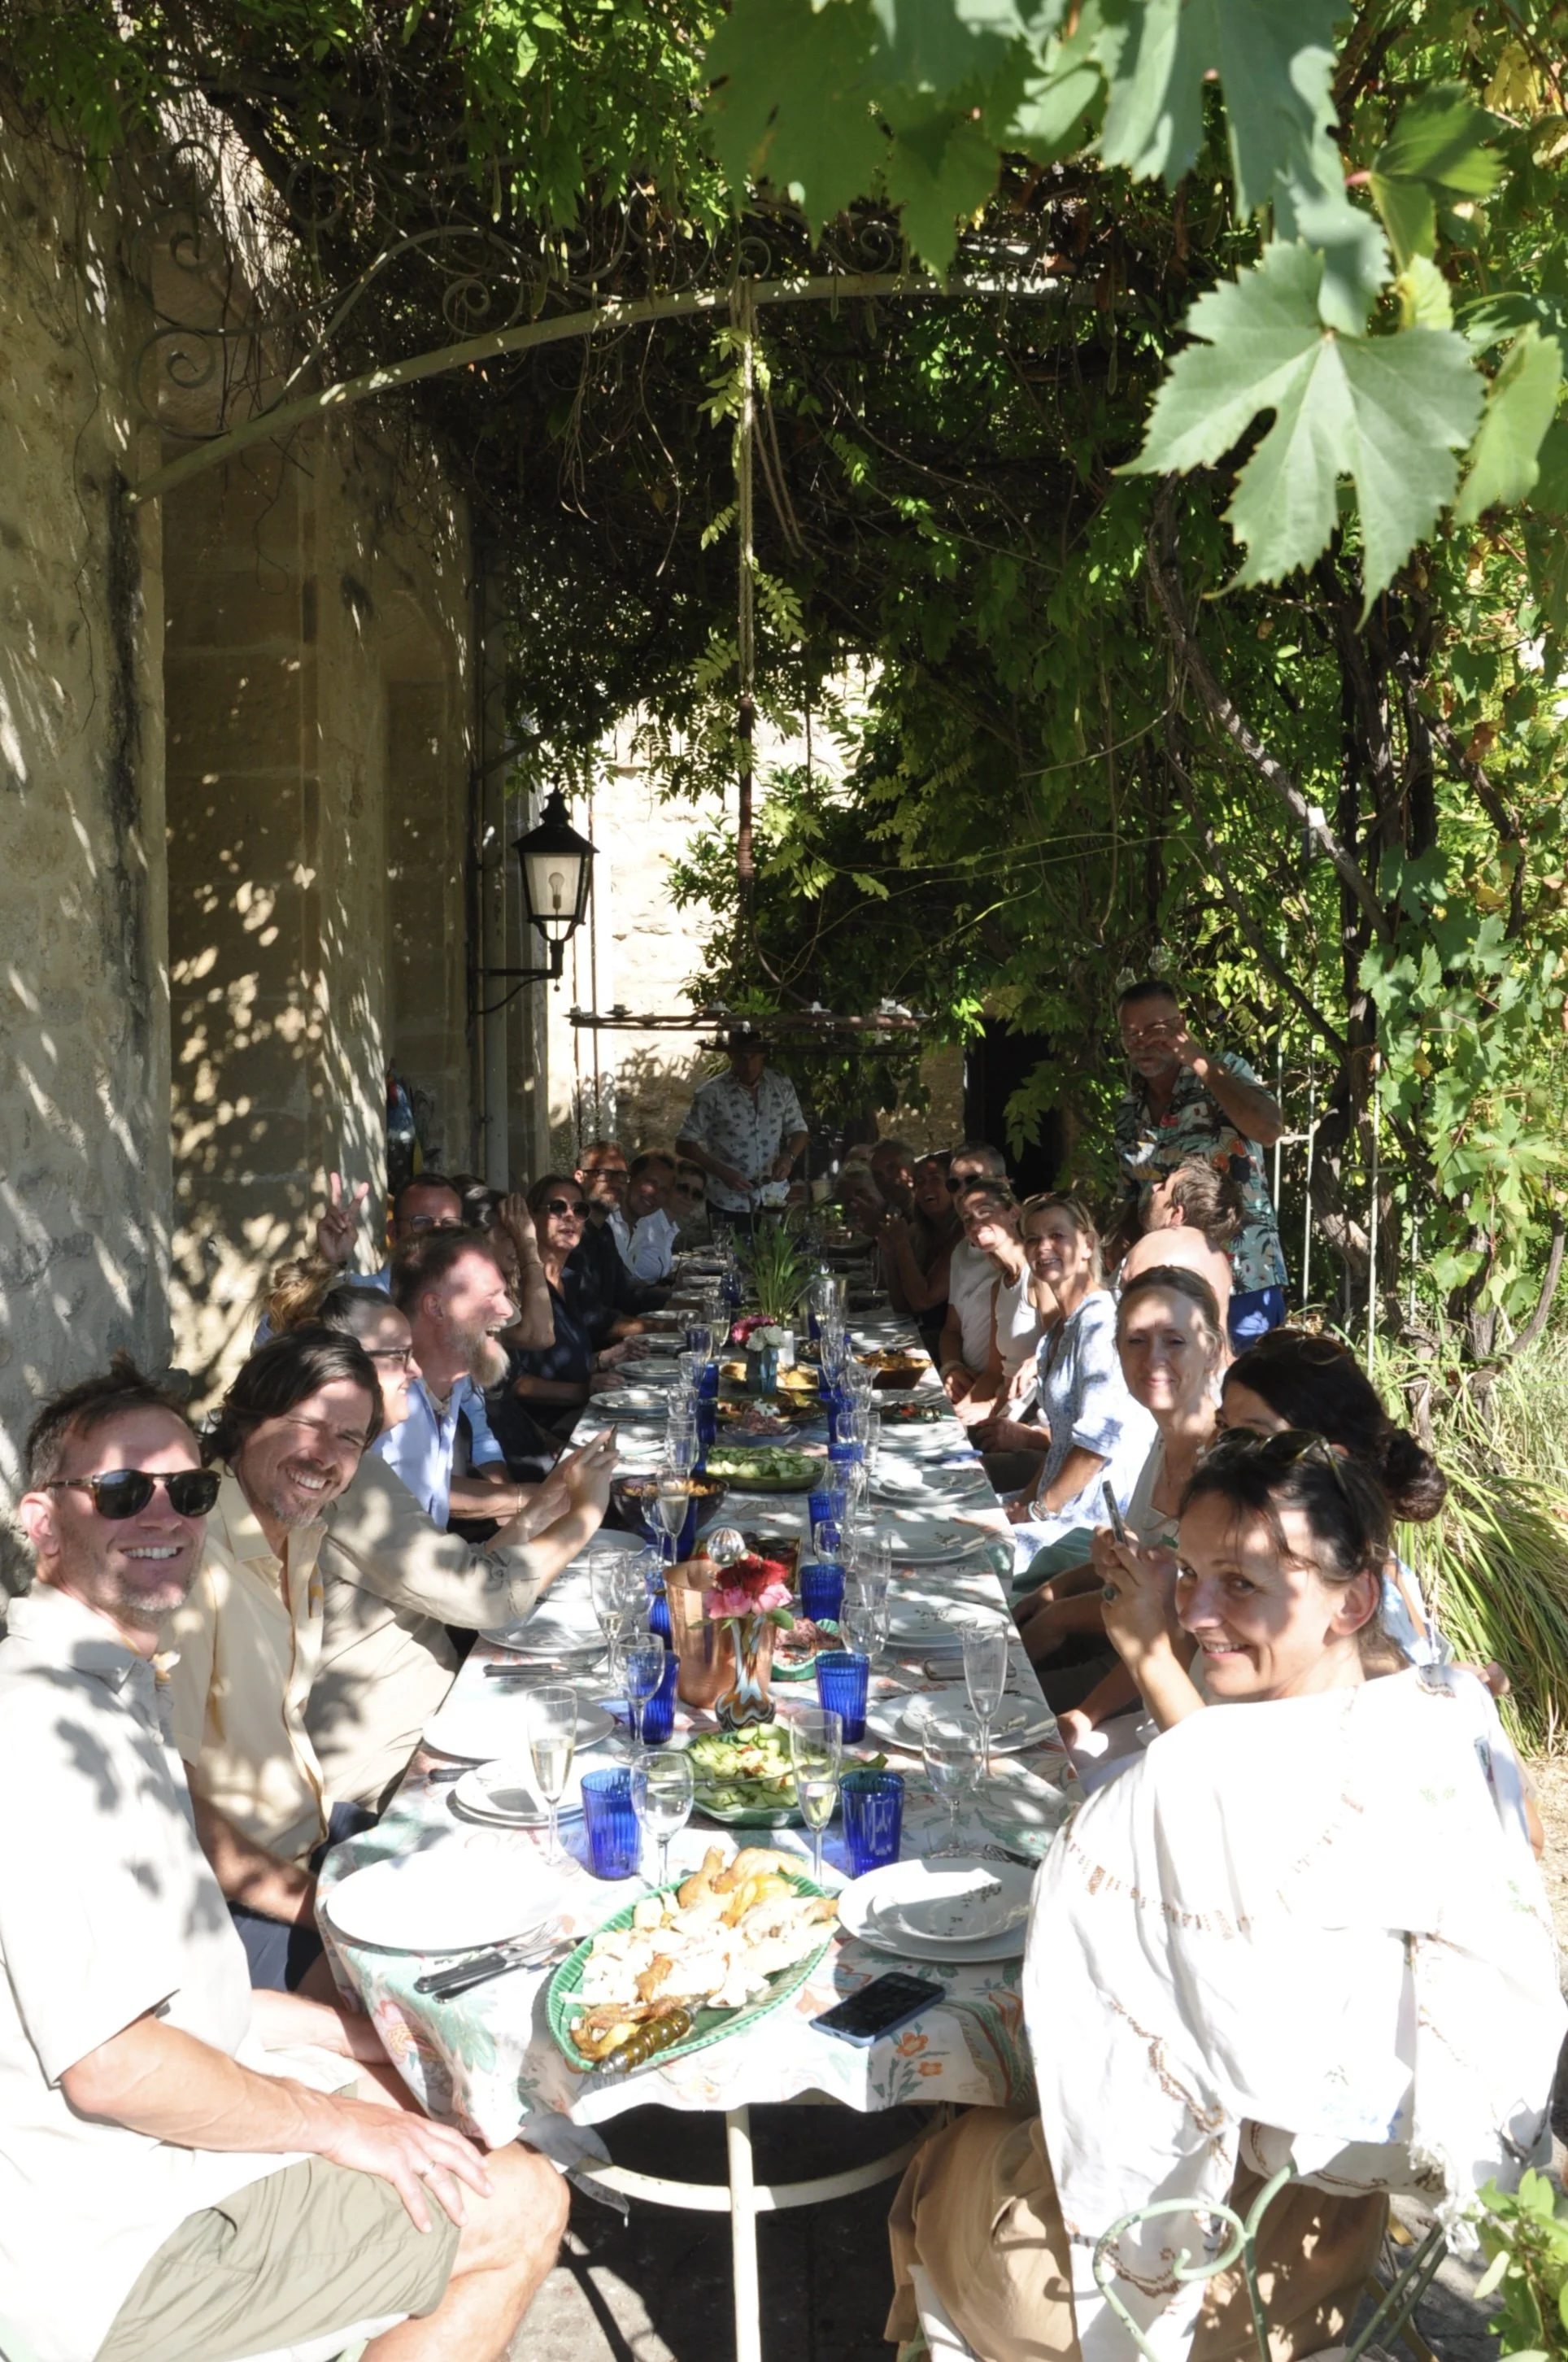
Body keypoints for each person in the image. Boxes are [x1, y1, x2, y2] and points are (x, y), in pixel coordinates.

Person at [887, 1432, 1562, 2362]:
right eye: (1191, 1575)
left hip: (1159, 2286)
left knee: (937, 2153)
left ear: (1352, 1598)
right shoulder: (1440, 1723)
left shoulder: (1194, 1778)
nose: (1196, 1613)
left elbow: (1083, 2040)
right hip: (1333, 2261)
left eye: (1240, 1584)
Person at [6, 1361, 566, 2362]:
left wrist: (371, 2035)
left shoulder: (110, 1690)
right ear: (43, 1522)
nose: (166, 1514)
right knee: (519, 2200)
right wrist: (334, 2126)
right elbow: (115, 2066)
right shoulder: (43, 1736)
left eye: (190, 1490)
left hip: (149, 2153)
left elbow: (193, 2004)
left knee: (451, 2104)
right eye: (125, 1492)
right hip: (106, 2244)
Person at [303, 1283, 620, 1811]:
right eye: (398, 1357)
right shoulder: (347, 1476)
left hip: (440, 1718)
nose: (415, 1371)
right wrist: (586, 1515)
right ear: (344, 1372)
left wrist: (547, 1503)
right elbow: (481, 1597)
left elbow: (460, 1572)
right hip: (388, 1771)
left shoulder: (365, 1460)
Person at [163, 1328, 384, 1989]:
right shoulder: (195, 1565)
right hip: (232, 1902)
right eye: (309, 1425)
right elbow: (172, 1804)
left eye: (350, 1439)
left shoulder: (301, 1535)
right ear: (249, 1419)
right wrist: (320, 1909)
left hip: (311, 1836)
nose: (328, 1455)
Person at [1017, 1266, 1226, 1722]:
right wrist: (1060, 1589)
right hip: (1131, 1660)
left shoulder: (1226, 1469)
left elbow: (1179, 1632)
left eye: (1174, 1341)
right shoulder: (1163, 1439)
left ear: (1211, 1351)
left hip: (1186, 1702)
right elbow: (1139, 1564)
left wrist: (1085, 1716)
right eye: (1135, 1340)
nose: (1152, 1358)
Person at [1213, 1327, 1453, 1671]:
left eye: (1256, 1438)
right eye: (1224, 1429)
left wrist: (1150, 1655)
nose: (1224, 1453)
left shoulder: (1331, 1588)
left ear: (1328, 1462)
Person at [1113, 977, 1288, 1347]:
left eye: (1155, 1030)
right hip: (1168, 1289)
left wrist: (1199, 1059)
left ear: (1180, 1026)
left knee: (1245, 1395)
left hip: (1243, 1280)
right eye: (1131, 1033)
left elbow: (1270, 1129)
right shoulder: (1129, 1111)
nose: (1142, 1041)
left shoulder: (1223, 1070)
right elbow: (1132, 1202)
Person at [1002, 1194, 1154, 1584]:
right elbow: (1061, 1446)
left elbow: (1095, 1445)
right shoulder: (1061, 1329)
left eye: (1057, 1235)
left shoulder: (1101, 1323)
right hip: (1058, 1504)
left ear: (1088, 1244)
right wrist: (1025, 1501)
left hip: (1090, 1521)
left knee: (972, 1561)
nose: (1043, 1247)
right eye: (1033, 1239)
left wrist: (1039, 1512)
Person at [381, 1229, 547, 1529]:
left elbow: (433, 1490)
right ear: (436, 1308)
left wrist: (527, 1501)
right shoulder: (384, 1401)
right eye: (490, 1296)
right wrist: (526, 1499)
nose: (508, 1311)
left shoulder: (453, 1382)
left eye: (504, 1294)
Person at [511, 1174, 633, 1432]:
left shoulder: (571, 1280)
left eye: (579, 1209)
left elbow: (561, 1364)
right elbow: (515, 1383)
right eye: (557, 1207)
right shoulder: (518, 1287)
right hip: (548, 1430)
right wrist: (585, 1390)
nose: (570, 1217)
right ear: (531, 1218)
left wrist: (601, 1359)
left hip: (585, 1414)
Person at [943, 1180, 1044, 1460]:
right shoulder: (999, 1287)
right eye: (967, 1218)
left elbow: (1055, 1356)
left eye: (984, 1211)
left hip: (1029, 1417)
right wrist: (963, 1410)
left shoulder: (1038, 1277)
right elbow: (993, 1370)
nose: (975, 1222)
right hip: (1004, 1407)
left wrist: (990, 1406)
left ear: (1013, 1213)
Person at [675, 1024, 809, 1230]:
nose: (749, 1065)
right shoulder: (711, 1093)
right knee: (729, 1260)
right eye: (742, 1058)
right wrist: (722, 1172)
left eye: (753, 1057)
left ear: (763, 1054)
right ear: (730, 1055)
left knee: (772, 1260)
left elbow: (800, 1130)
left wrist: (789, 1157)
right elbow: (684, 1143)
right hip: (727, 1200)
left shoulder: (781, 1084)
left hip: (773, 1197)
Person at [1117, 1156, 1243, 1337]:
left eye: (1163, 1187)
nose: (1154, 1188)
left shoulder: (1153, 1271)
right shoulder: (1217, 1274)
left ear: (1176, 1215)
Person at [934, 1141, 1012, 1416]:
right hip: (969, 1385)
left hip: (1008, 1398)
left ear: (1004, 1184)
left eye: (973, 1180)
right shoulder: (961, 1252)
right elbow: (952, 1329)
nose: (963, 1190)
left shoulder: (1023, 1255)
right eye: (954, 1184)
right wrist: (951, 1367)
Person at [878, 1150, 960, 1360]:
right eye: (920, 1182)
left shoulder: (964, 1234)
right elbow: (904, 1308)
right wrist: (890, 1252)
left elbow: (923, 1301)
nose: (926, 1188)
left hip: (955, 1347)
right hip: (924, 1336)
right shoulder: (920, 1233)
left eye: (935, 1179)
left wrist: (902, 1244)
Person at [572, 1140, 662, 1327]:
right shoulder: (569, 1234)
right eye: (605, 1174)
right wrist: (653, 1327)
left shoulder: (604, 1232)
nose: (616, 1184)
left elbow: (628, 1293)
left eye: (621, 1176)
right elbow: (588, 1316)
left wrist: (685, 1301)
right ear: (580, 1177)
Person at [616, 1149, 681, 1283]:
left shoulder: (639, 1229)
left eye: (664, 1190)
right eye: (651, 1183)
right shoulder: (608, 1225)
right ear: (630, 1177)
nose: (655, 1193)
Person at [869, 1135, 917, 1217]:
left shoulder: (934, 1210)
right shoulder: (888, 1214)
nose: (885, 1179)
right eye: (878, 1175)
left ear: (912, 1167)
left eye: (892, 1168)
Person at [669, 1157, 712, 1245]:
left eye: (696, 1194)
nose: (689, 1197)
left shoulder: (670, 1227)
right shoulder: (649, 1228)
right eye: (683, 1188)